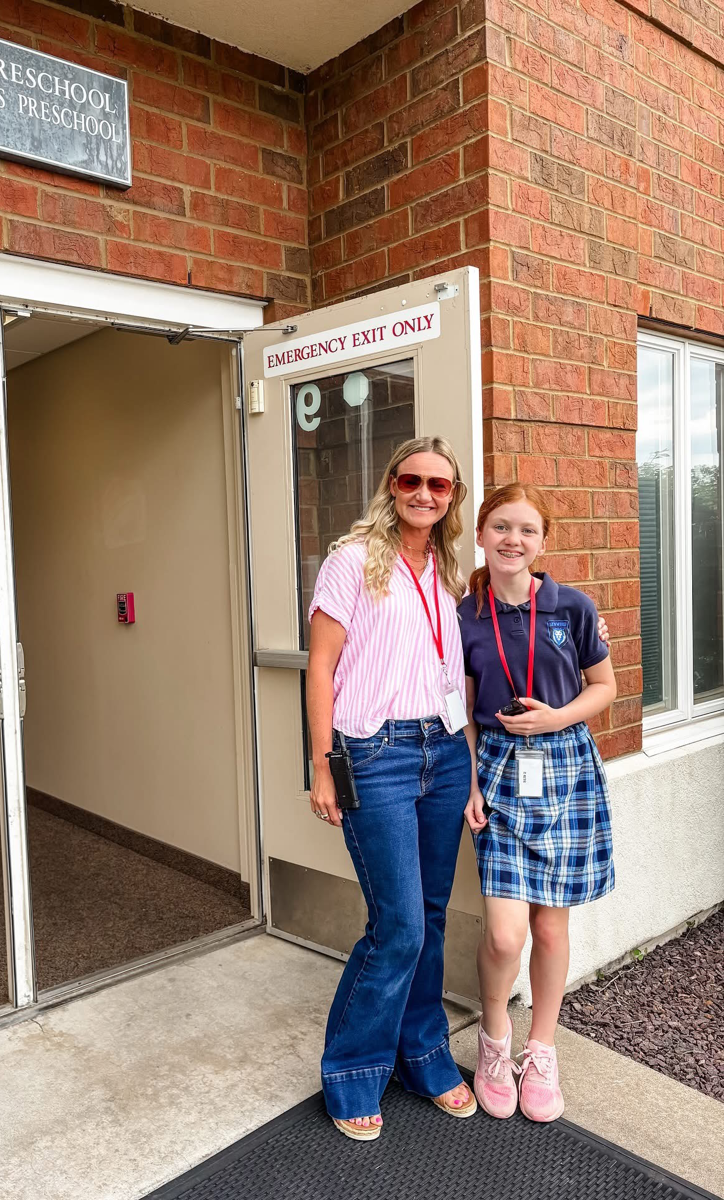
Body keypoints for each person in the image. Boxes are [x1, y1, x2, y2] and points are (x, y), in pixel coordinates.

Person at [306, 436, 479, 1141]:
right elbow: (321, 668)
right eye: (412, 480)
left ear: (451, 497)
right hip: (375, 754)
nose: (424, 494)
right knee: (399, 924)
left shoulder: (446, 569)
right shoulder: (351, 560)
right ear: (392, 484)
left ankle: (424, 1056)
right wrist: (322, 765)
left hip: (445, 751)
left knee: (430, 916)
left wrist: (467, 761)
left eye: (439, 485)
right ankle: (352, 1070)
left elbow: (459, 667)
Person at [458, 484, 616, 1124]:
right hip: (497, 771)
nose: (513, 540)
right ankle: (494, 1042)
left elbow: (603, 687)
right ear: (480, 534)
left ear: (543, 541)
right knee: (504, 935)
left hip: (565, 769)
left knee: (551, 928)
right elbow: (463, 709)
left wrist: (555, 718)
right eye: (501, 526)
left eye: (526, 529)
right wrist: (470, 783)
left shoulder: (572, 607)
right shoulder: (464, 615)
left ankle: (542, 1049)